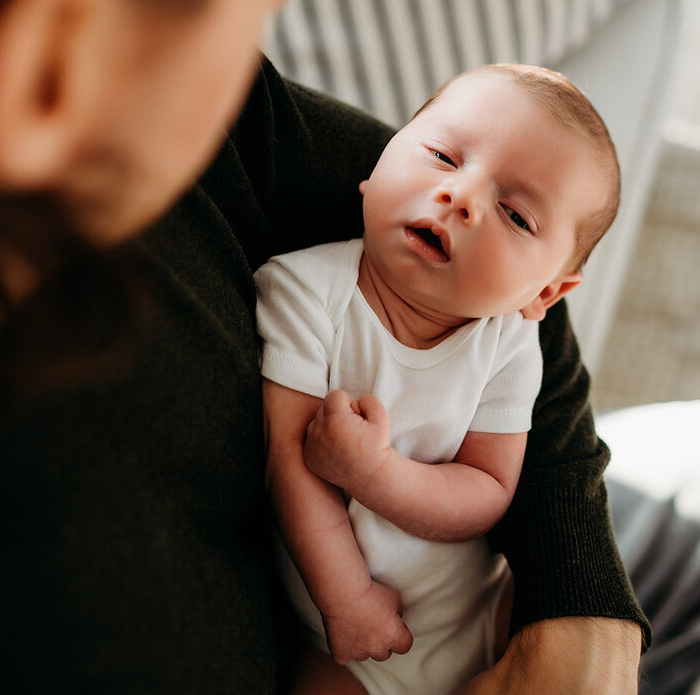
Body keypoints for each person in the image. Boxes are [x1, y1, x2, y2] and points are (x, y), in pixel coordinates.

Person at [0, 0, 646, 692]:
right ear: (60, 51)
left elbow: (511, 293)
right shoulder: (3, 611)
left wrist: (584, 606)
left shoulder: (185, 135)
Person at [257, 63, 621, 695]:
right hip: (347, 639)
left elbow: (488, 489)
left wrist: (376, 476)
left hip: (485, 613)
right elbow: (288, 462)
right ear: (375, 167)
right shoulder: (304, 291)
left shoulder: (509, 341)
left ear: (546, 293)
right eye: (442, 156)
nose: (463, 196)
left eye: (515, 215)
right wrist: (346, 599)